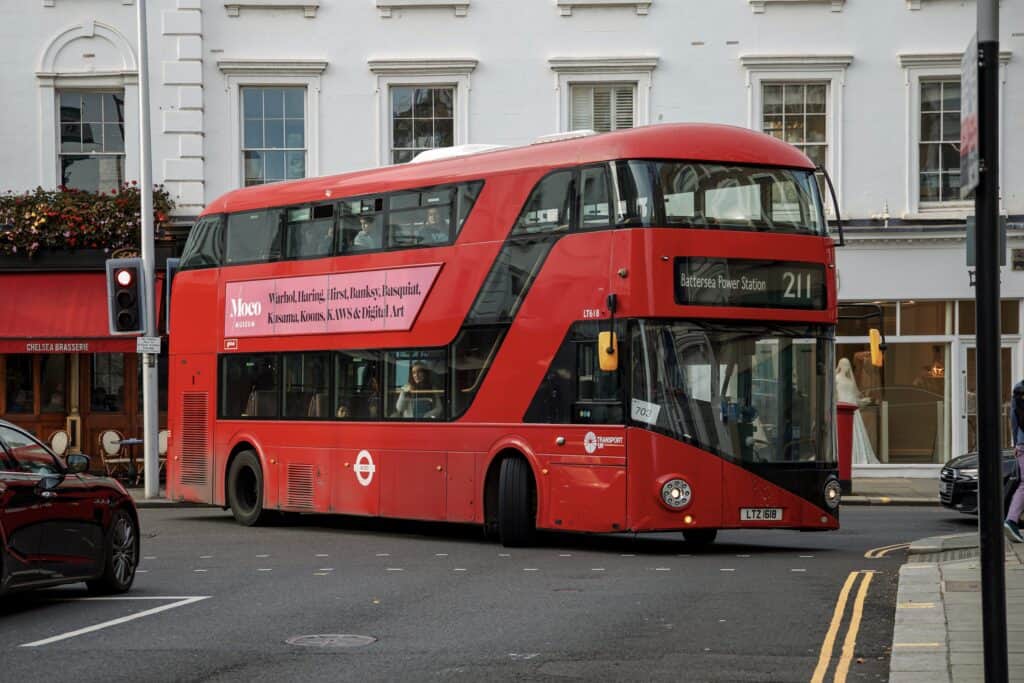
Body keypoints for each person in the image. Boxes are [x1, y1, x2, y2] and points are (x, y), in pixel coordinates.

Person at [835, 357, 880, 465]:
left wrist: (862, 400)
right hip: (842, 409)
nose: (846, 368)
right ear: (840, 366)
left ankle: (857, 457)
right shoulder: (836, 378)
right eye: (844, 365)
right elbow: (835, 396)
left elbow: (854, 396)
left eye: (848, 365)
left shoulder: (850, 380)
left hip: (852, 409)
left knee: (856, 433)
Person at [1004, 380, 1024, 543]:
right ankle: (1011, 520)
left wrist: (1016, 443)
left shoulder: (1019, 390)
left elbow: (1014, 419)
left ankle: (1011, 520)